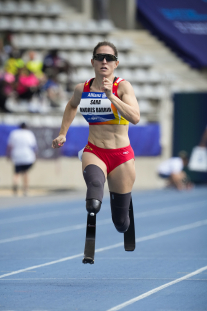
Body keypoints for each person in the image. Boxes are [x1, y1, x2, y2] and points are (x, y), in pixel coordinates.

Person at [52, 41, 140, 238]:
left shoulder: (123, 87)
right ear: (92, 62)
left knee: (121, 224)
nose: (104, 61)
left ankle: (126, 213)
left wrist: (112, 97)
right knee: (93, 198)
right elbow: (71, 106)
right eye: (100, 57)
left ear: (116, 64)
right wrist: (62, 133)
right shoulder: (82, 89)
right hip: (94, 151)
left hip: (121, 156)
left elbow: (135, 117)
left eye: (110, 58)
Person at [7, 122, 37, 196]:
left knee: (16, 173)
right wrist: (36, 155)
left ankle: (15, 187)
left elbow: (10, 146)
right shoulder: (29, 133)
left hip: (17, 155)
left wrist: (8, 155)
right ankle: (25, 189)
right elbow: (33, 146)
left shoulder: (14, 133)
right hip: (27, 156)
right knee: (25, 172)